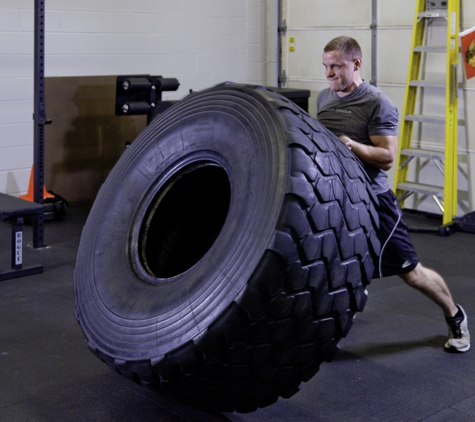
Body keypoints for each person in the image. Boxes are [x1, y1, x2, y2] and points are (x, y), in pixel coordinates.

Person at [316, 35, 470, 352]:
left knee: (411, 273)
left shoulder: (377, 103)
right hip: (338, 199)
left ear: (356, 64)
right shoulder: (324, 98)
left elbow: (386, 158)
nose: (329, 74)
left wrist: (350, 144)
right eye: (326, 66)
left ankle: (456, 318)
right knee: (332, 264)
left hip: (374, 203)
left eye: (336, 66)